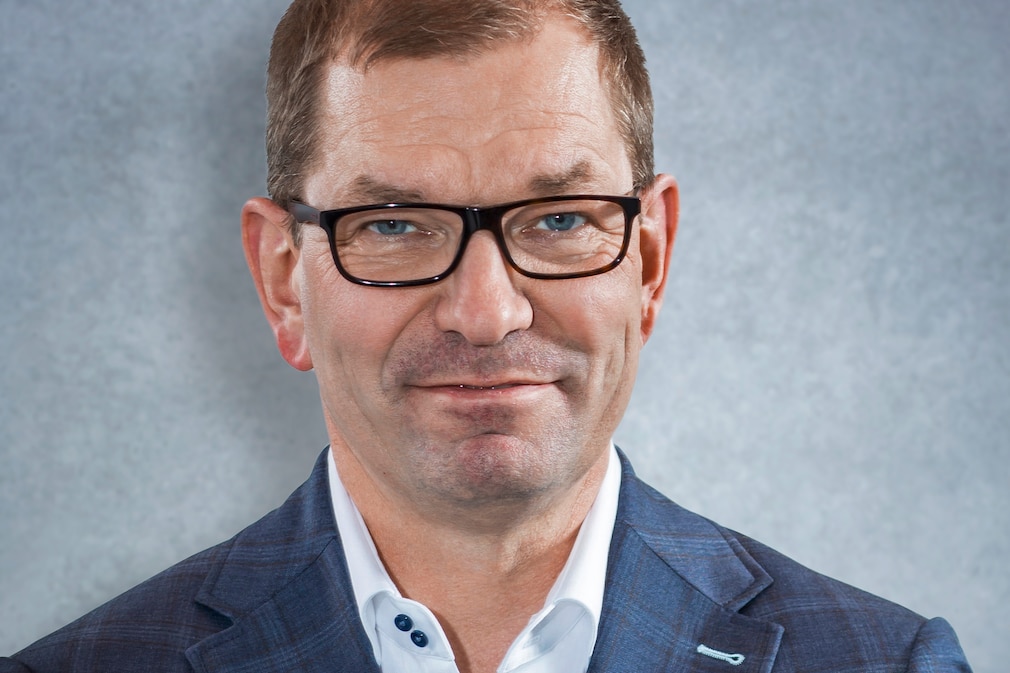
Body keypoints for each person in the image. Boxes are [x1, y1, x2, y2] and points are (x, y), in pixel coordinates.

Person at [2, 1, 972, 671]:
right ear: (282, 280)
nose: (485, 312)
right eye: (393, 224)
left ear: (650, 258)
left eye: (560, 219)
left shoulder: (883, 662)